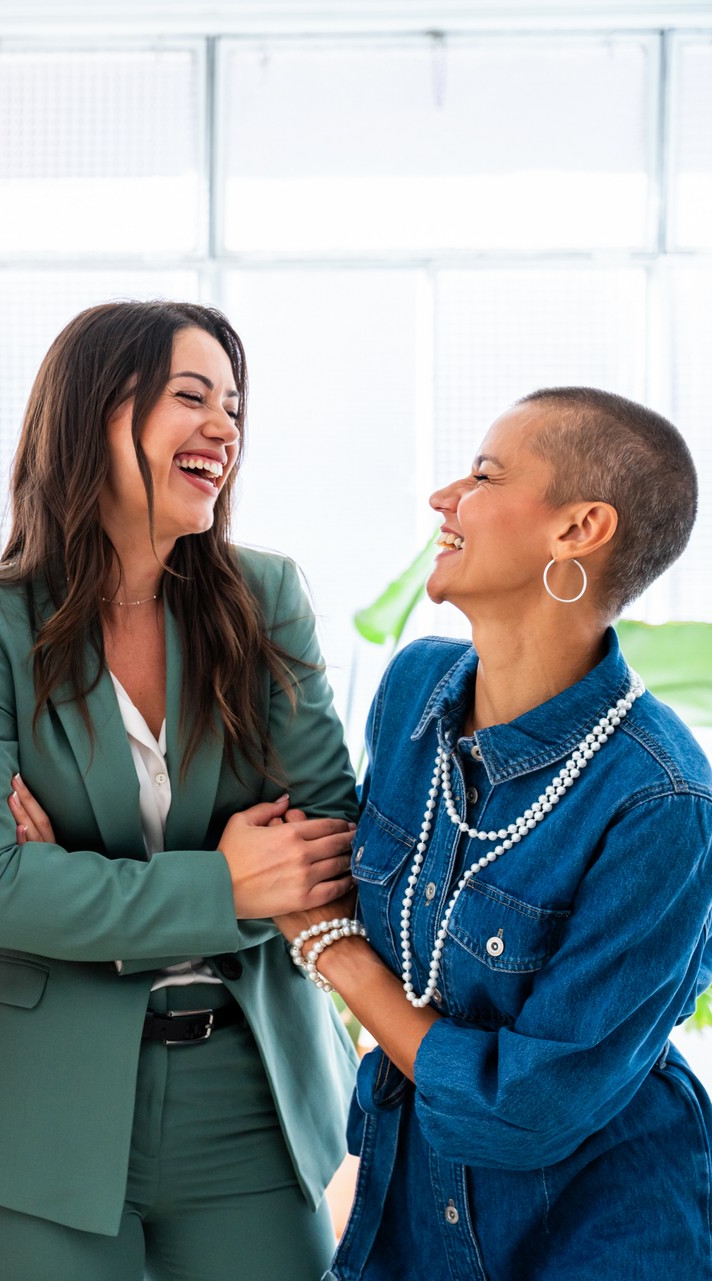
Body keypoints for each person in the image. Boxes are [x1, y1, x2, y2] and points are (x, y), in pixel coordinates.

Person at [0, 301, 362, 1280]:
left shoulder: (267, 599)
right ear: (93, 414)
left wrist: (80, 887)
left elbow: (327, 855)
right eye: (191, 397)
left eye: (235, 407)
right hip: (27, 1117)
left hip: (249, 1102)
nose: (225, 428)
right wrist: (232, 887)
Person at [277, 388, 711, 1279]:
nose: (445, 497)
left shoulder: (664, 799)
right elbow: (320, 859)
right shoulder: (413, 691)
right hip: (411, 1212)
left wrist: (338, 957)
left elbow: (528, 1108)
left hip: (606, 1227)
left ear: (578, 528)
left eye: (483, 474)